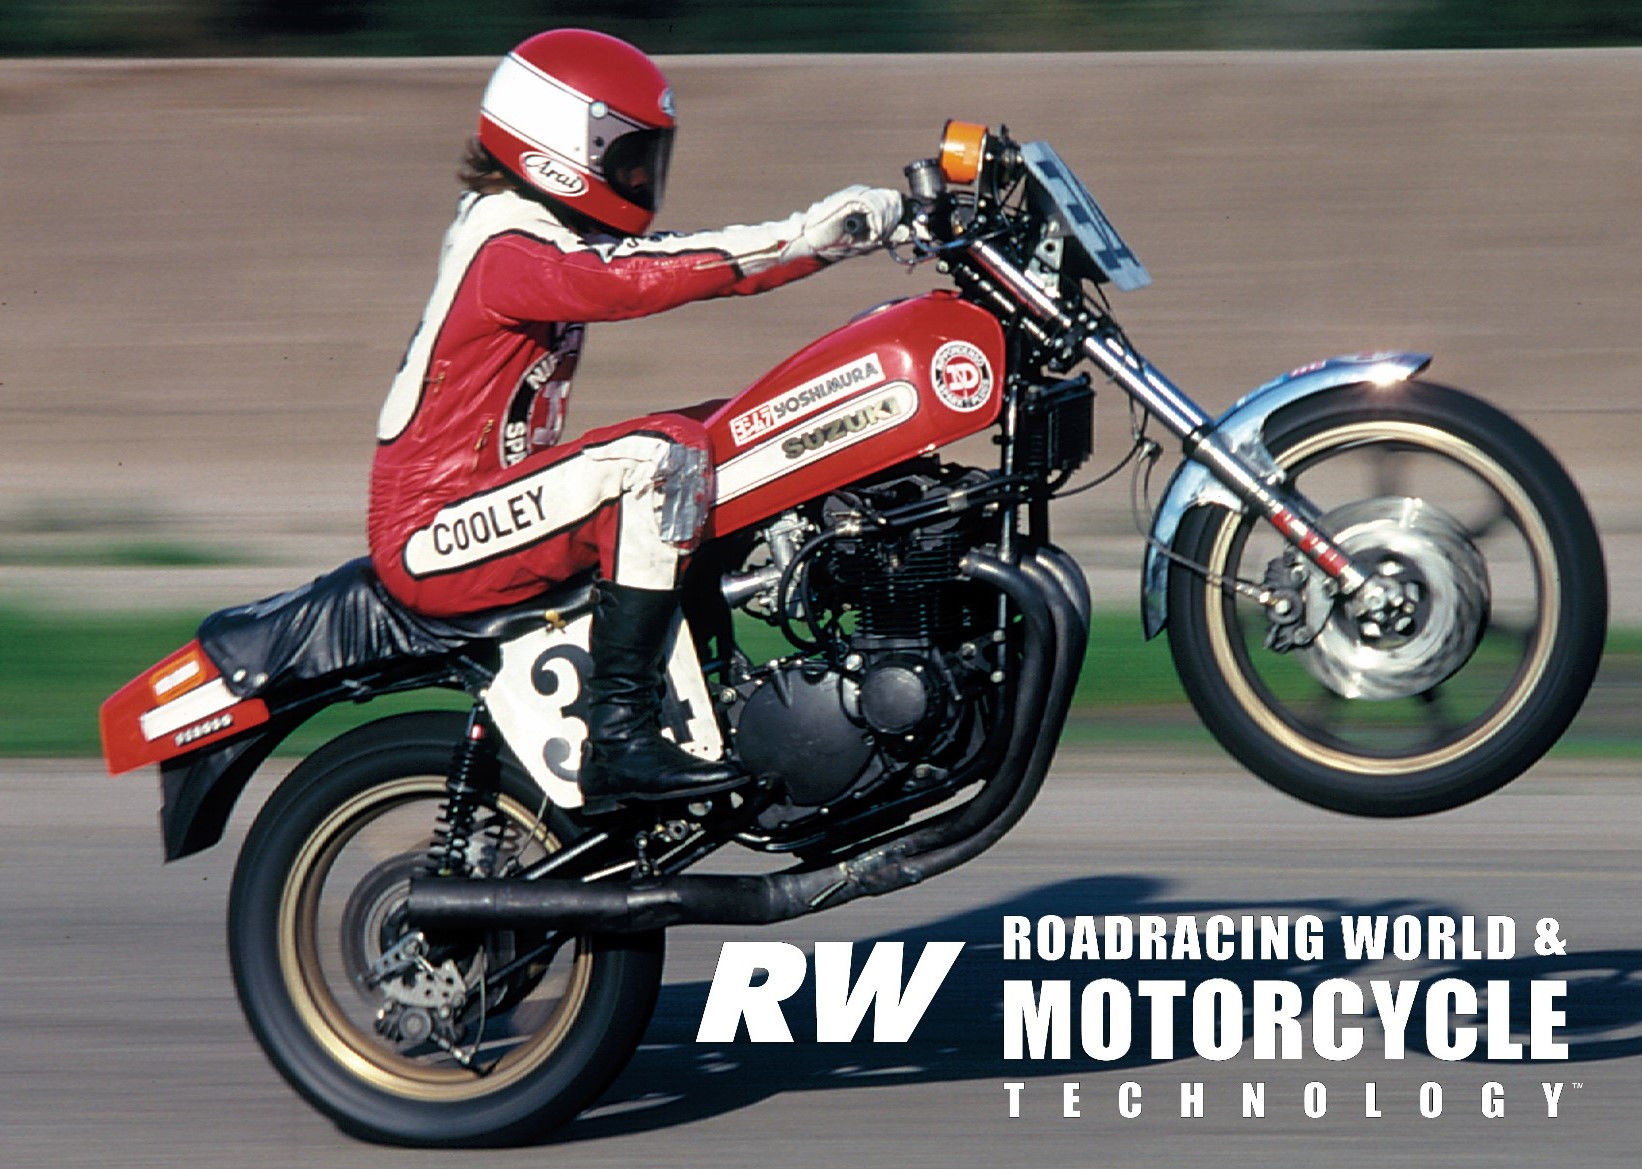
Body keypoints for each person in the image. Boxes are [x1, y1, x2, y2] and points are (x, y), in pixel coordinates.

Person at [366, 28, 903, 809]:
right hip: (433, 530)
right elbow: (637, 281)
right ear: (557, 144)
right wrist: (810, 236)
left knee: (747, 425)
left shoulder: (534, 230)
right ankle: (618, 736)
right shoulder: (507, 243)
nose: (643, 175)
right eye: (626, 153)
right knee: (660, 455)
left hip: (484, 505)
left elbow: (648, 264)